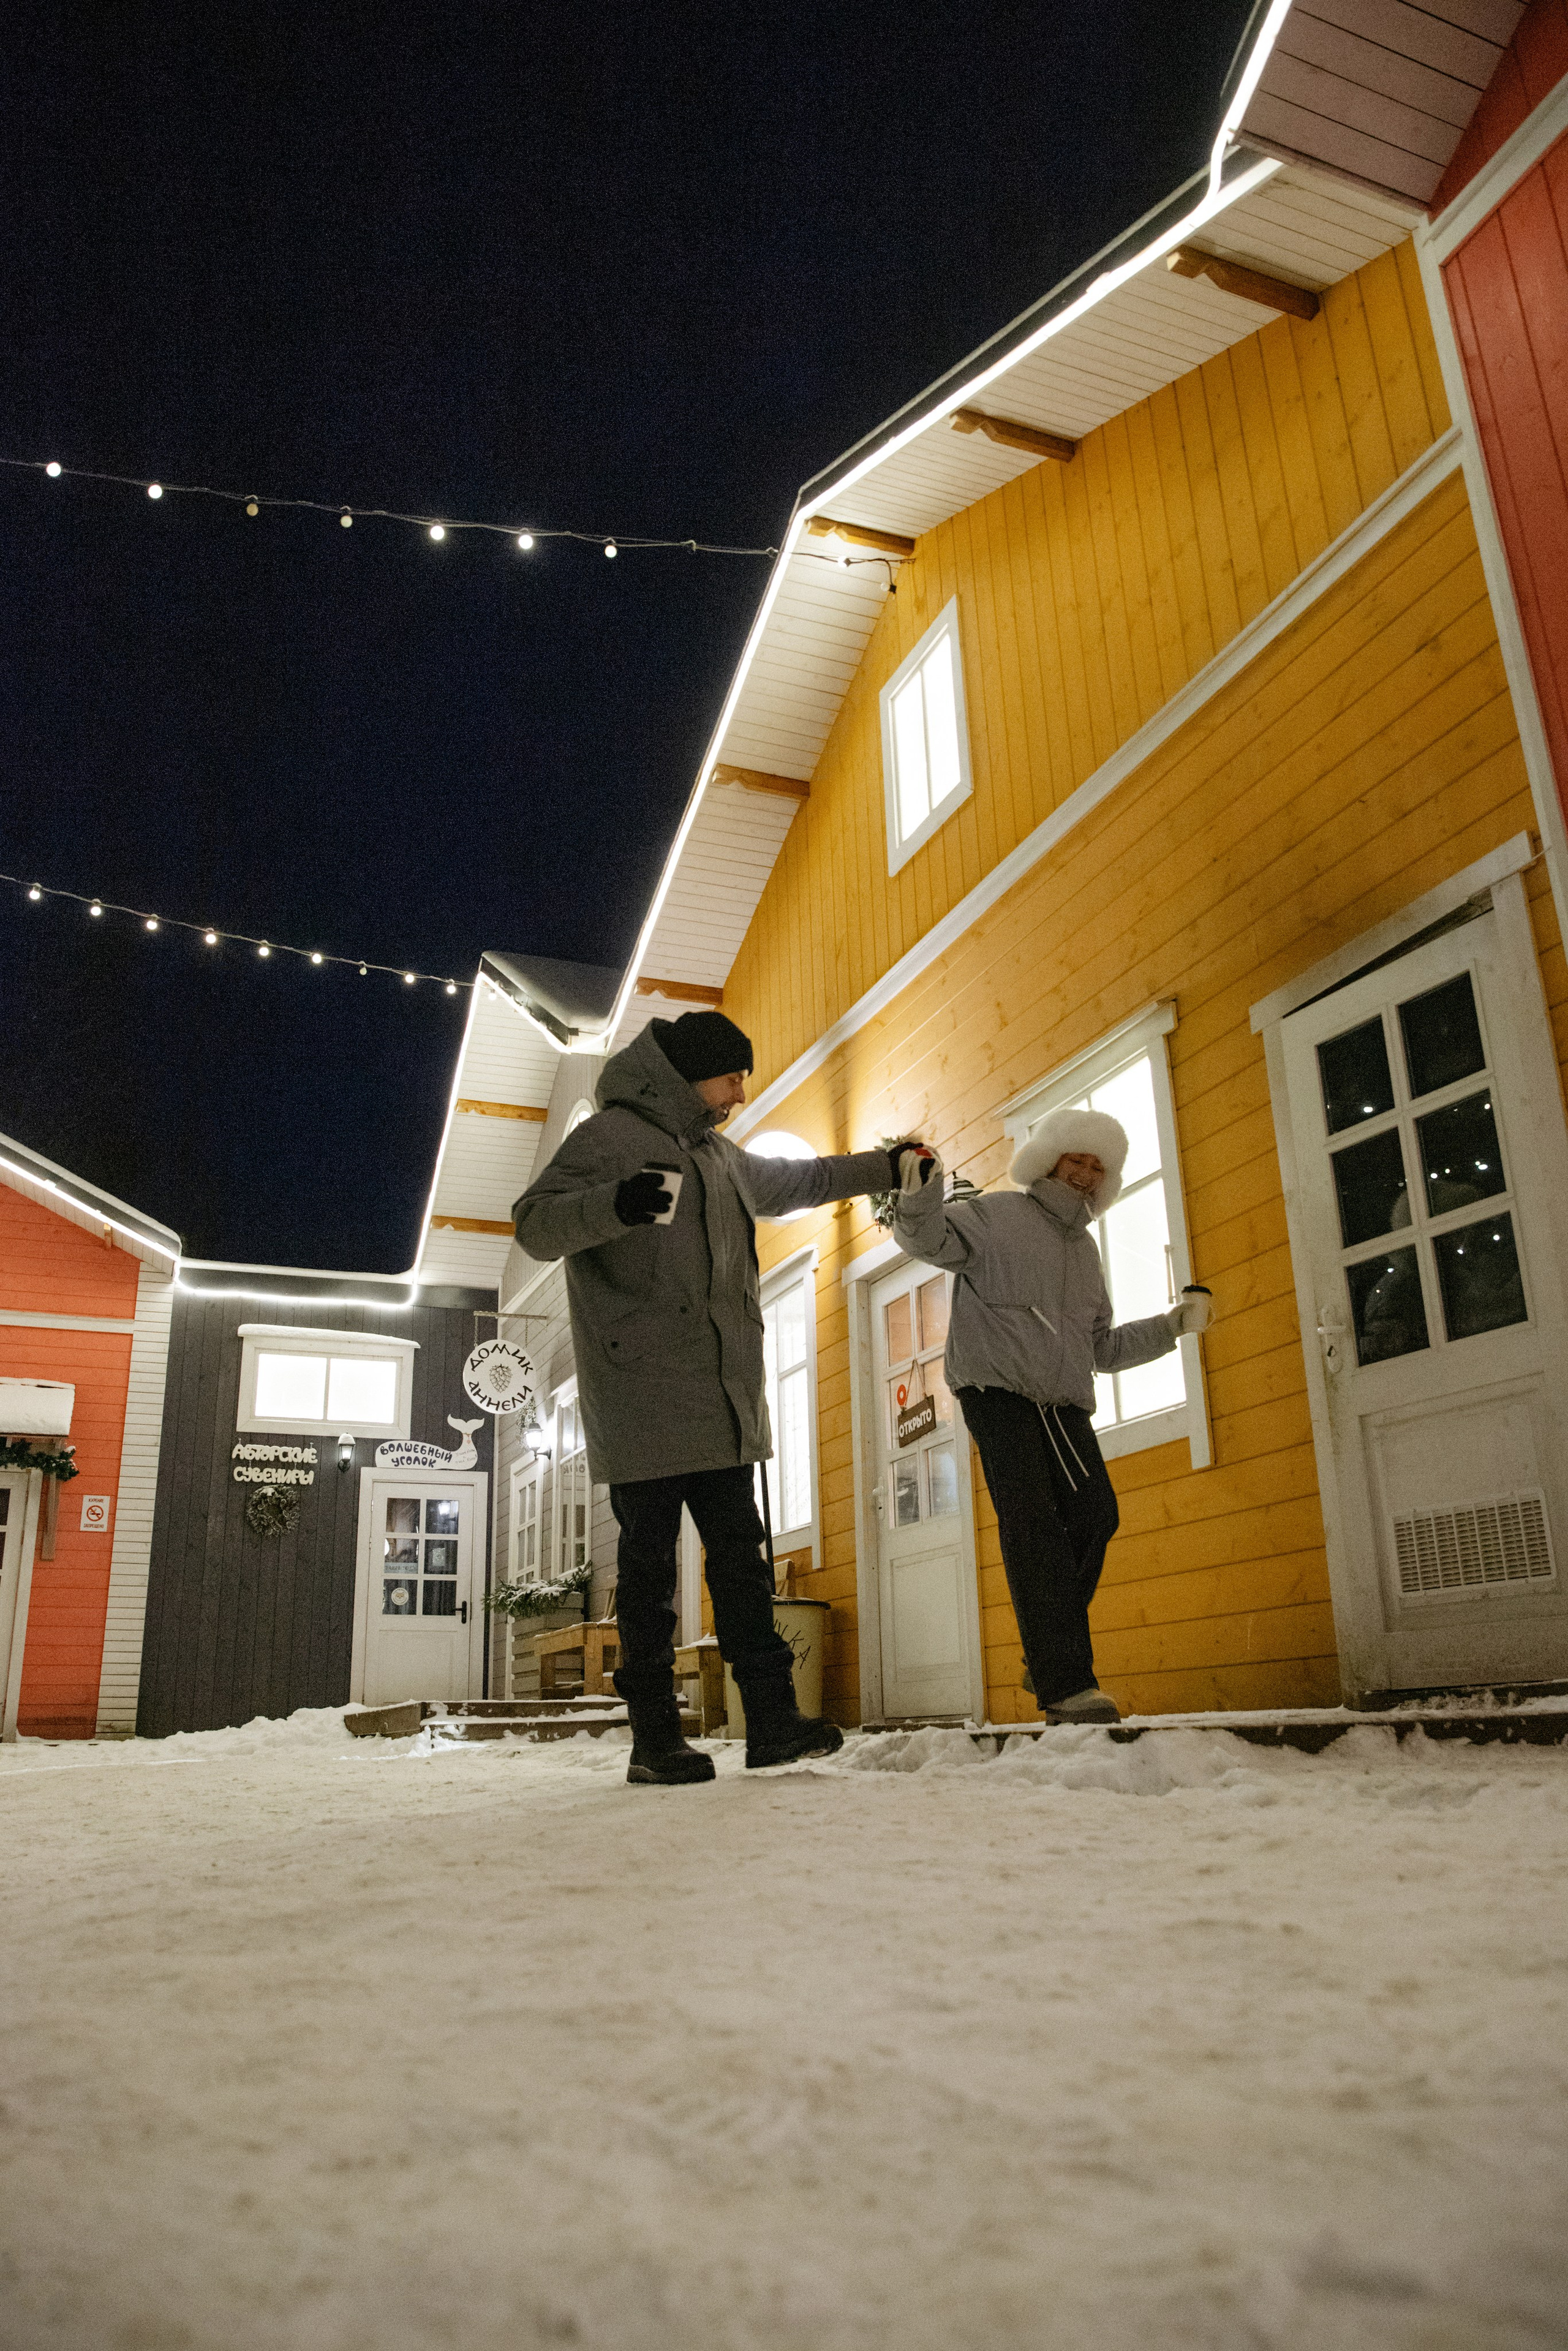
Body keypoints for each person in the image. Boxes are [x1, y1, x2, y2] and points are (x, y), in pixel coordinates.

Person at [513, 1009, 922, 1784]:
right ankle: (654, 1739)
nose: (739, 1092)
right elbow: (534, 1226)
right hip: (642, 1396)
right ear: (687, 1074)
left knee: (741, 1566)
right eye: (732, 1075)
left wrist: (888, 1164)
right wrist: (615, 1205)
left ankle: (771, 1722)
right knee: (648, 1574)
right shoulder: (608, 1139)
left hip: (723, 1396)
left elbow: (801, 1181)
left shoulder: (716, 1153)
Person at [892, 1109, 1212, 1724]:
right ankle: (1066, 1685)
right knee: (1033, 1526)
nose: (1085, 1174)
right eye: (1076, 1160)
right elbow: (925, 1240)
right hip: (997, 1391)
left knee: (1096, 1514)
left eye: (1097, 1167)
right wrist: (918, 1191)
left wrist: (1173, 1325)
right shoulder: (996, 1215)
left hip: (1061, 1404)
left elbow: (1103, 1348)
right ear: (1049, 1161)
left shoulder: (1084, 1251)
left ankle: (1046, 1652)